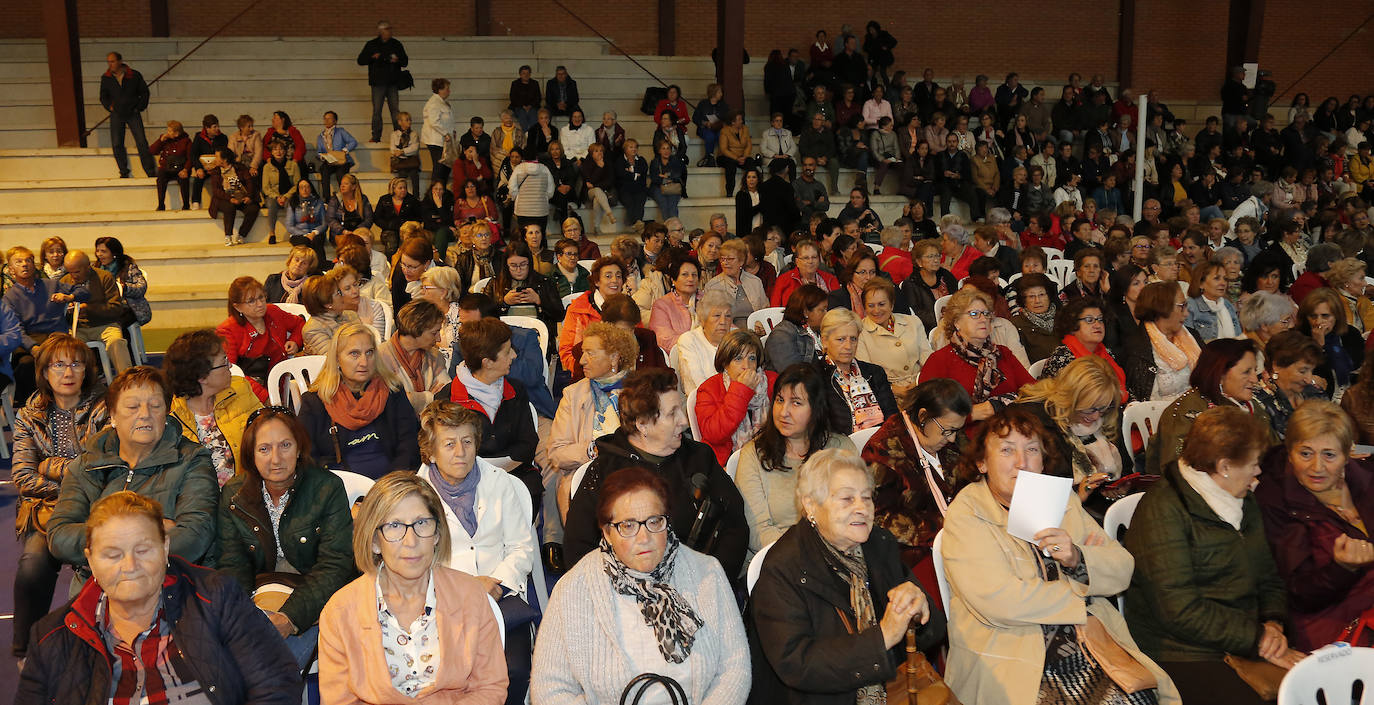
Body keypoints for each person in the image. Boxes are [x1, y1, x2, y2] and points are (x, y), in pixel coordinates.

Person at [942, 407, 1179, 705]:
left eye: (1032, 449)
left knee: (1142, 699)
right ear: (982, 463)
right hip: (1013, 657)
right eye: (1006, 450)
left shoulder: (1061, 501)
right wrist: (1083, 589)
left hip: (1089, 643)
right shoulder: (967, 512)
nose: (1022, 462)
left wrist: (1076, 558)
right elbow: (1001, 602)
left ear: (1043, 461)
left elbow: (1122, 568)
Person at [18, 491, 302, 705]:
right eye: (113, 554)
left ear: (165, 547)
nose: (129, 566)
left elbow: (276, 683)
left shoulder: (217, 597)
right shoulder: (51, 638)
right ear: (90, 560)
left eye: (143, 550)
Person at [1125, 406, 1303, 705]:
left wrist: (1273, 623)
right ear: (1224, 466)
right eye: (1253, 464)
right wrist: (1257, 638)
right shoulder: (1163, 511)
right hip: (1181, 651)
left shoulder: (1240, 497)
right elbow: (1179, 611)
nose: (1258, 473)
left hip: (1242, 635)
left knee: (1314, 685)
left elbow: (1268, 575)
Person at [532, 466, 751, 705]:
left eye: (654, 521)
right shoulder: (574, 588)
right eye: (628, 526)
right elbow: (549, 689)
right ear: (606, 532)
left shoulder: (707, 574)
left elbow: (735, 668)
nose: (644, 537)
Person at [749, 448, 947, 704]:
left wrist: (920, 612)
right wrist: (882, 637)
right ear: (811, 504)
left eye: (867, 497)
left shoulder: (878, 544)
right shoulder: (783, 570)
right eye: (847, 499)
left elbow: (935, 630)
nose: (862, 508)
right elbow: (797, 664)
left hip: (891, 687)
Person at [318, 472, 508, 704]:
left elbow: (490, 688)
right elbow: (339, 700)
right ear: (375, 541)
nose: (411, 541)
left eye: (422, 523)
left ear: (437, 534)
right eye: (395, 526)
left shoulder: (470, 595)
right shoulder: (340, 611)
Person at [562, 367, 749, 576]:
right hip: (626, 593)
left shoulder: (699, 458)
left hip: (701, 582)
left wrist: (713, 579)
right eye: (672, 414)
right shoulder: (604, 473)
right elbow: (578, 549)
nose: (684, 421)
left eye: (681, 409)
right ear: (642, 424)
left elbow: (735, 525)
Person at [415, 402, 536, 705]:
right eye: (449, 443)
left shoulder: (500, 483)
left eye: (468, 441)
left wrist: (494, 582)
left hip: (501, 596)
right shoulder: (415, 495)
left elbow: (521, 548)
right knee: (445, 677)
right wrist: (468, 589)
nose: (461, 451)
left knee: (514, 670)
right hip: (440, 602)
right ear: (430, 452)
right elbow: (414, 561)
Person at [217, 406, 355, 668]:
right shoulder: (235, 495)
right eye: (264, 449)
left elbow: (334, 566)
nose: (276, 459)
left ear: (299, 448)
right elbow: (232, 565)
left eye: (285, 445)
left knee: (272, 666)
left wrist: (290, 618)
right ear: (251, 454)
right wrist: (244, 617)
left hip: (315, 599)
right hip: (261, 597)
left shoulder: (326, 488)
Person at [47, 366, 219, 568]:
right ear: (113, 415)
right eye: (132, 407)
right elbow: (59, 537)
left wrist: (100, 539)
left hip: (172, 583)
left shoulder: (193, 460)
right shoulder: (84, 467)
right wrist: (143, 532)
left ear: (166, 412)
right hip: (97, 585)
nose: (145, 414)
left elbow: (194, 537)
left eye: (155, 405)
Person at [10, 335, 107, 661]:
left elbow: (104, 468)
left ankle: (102, 644)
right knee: (32, 565)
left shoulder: (105, 408)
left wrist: (52, 467)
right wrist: (75, 485)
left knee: (104, 566)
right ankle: (26, 650)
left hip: (98, 509)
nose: (68, 372)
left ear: (86, 369)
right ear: (45, 372)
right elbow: (23, 477)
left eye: (76, 363)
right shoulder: (29, 414)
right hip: (47, 512)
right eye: (59, 364)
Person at [1255, 399, 1374, 652]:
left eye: (1329, 455)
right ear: (1290, 452)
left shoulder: (1365, 481)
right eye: (1305, 453)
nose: (1316, 467)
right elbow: (1298, 594)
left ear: (1347, 455)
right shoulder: (1276, 500)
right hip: (1331, 623)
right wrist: (1342, 567)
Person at [735, 363, 856, 553]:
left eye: (796, 402)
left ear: (816, 409)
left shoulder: (840, 450)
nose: (784, 412)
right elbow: (758, 532)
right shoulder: (753, 455)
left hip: (839, 551)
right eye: (780, 400)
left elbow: (854, 513)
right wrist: (811, 554)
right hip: (782, 559)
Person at [436, 317, 541, 503]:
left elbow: (528, 443)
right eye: (508, 352)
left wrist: (498, 470)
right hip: (463, 480)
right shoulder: (448, 399)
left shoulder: (515, 391)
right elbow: (445, 452)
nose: (514, 356)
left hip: (513, 475)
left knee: (528, 492)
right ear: (487, 362)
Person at [298, 323, 421, 478]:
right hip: (339, 490)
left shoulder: (392, 391)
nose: (364, 362)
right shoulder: (315, 402)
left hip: (390, 485)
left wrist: (393, 484)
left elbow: (409, 444)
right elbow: (308, 457)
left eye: (369, 352)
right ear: (337, 359)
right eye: (354, 354)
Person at [1146, 338, 1274, 475]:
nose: (1255, 379)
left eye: (1254, 370)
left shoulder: (1252, 407)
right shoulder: (1185, 414)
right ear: (1219, 374)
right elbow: (1178, 473)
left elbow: (1273, 455)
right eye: (1246, 372)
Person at [920, 286, 1036, 425]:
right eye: (974, 314)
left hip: (1013, 428)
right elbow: (927, 411)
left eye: (986, 314)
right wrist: (971, 414)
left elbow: (1032, 390)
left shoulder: (1002, 353)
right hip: (969, 436)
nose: (983, 319)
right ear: (957, 322)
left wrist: (1003, 403)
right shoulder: (940, 360)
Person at [164, 328, 263, 487]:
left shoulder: (240, 389)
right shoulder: (171, 417)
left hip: (246, 494)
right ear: (202, 376)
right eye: (224, 361)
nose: (230, 366)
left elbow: (267, 430)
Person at [694, 330, 776, 465]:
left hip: (769, 457)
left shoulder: (772, 381)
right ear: (725, 363)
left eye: (752, 358)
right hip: (727, 464)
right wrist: (741, 391)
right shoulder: (709, 389)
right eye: (738, 359)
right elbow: (714, 435)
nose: (747, 366)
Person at [815, 308, 900, 434]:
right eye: (841, 339)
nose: (848, 346)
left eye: (853, 339)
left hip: (881, 445)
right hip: (840, 449)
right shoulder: (815, 377)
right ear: (824, 341)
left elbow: (893, 420)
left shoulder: (875, 373)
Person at [1119, 281, 1203, 401]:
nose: (1186, 313)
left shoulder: (1192, 336)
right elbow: (1139, 400)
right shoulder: (1137, 348)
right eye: (1182, 306)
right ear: (1162, 308)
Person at [856, 277, 931, 408]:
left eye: (881, 304)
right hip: (886, 395)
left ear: (892, 303)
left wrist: (920, 381)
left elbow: (928, 358)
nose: (876, 310)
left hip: (922, 386)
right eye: (871, 305)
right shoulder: (859, 332)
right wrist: (893, 389)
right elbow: (866, 374)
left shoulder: (912, 322)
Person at [57, 250, 134, 374]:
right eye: (70, 272)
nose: (73, 276)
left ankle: (127, 381)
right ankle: (79, 384)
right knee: (69, 348)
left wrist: (89, 309)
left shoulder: (105, 277)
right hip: (78, 328)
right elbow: (59, 315)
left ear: (88, 266)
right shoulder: (64, 281)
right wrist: (69, 311)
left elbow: (116, 309)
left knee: (117, 343)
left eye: (77, 272)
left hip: (106, 325)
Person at [1039, 297, 1128, 398]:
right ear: (1072, 326)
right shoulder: (1062, 358)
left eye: (1100, 319)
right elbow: (1066, 401)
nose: (1097, 325)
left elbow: (1124, 390)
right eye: (1089, 320)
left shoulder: (1105, 352)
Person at [377, 299, 451, 414]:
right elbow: (388, 404)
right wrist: (429, 397)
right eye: (434, 333)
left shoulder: (435, 356)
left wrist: (411, 398)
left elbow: (446, 397)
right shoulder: (380, 358)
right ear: (416, 329)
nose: (438, 339)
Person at [558, 256, 625, 371]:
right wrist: (588, 371)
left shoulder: (627, 307)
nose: (615, 280)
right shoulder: (578, 309)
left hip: (622, 372)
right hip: (587, 372)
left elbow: (635, 345)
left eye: (618, 276)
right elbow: (567, 352)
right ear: (597, 281)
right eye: (608, 276)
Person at [98, 52, 155, 179]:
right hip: (117, 114)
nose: (110, 64)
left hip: (132, 113)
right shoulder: (106, 78)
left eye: (112, 61)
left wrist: (139, 107)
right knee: (117, 143)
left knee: (141, 142)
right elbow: (103, 96)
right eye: (108, 62)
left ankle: (150, 171)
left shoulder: (134, 75)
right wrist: (110, 107)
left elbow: (145, 92)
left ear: (119, 61)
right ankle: (123, 171)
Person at [1299, 287, 1363, 394]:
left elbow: (1356, 364)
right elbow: (1311, 376)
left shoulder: (1351, 334)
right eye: (1313, 316)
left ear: (1337, 316)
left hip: (1351, 393)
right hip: (1320, 397)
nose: (1318, 322)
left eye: (1325, 316)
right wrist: (1318, 347)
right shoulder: (1297, 338)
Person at [670, 289, 734, 394]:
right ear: (703, 320)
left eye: (728, 316)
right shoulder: (689, 341)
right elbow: (695, 386)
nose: (723, 322)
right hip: (704, 402)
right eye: (717, 316)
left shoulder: (736, 338)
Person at [357, 20, 408, 143]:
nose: (390, 31)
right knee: (377, 111)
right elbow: (360, 60)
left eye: (390, 29)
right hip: (378, 83)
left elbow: (405, 61)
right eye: (387, 29)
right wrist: (372, 57)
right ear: (380, 31)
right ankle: (376, 136)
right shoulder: (371, 44)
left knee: (395, 110)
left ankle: (399, 134)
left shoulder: (396, 44)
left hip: (392, 82)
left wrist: (397, 61)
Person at [900, 238, 959, 334]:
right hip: (928, 330)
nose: (936, 260)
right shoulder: (911, 283)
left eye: (937, 255)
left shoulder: (946, 276)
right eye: (930, 256)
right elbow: (917, 314)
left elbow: (959, 298)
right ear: (919, 262)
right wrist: (944, 322)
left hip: (955, 323)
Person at [765, 284, 827, 373]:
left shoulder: (820, 331)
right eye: (822, 310)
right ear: (805, 312)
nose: (827, 314)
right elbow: (793, 375)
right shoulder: (781, 336)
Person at [207, 146, 260, 246]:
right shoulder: (216, 171)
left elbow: (249, 182)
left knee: (253, 208)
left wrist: (248, 196)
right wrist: (230, 199)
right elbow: (216, 190)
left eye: (217, 156)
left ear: (225, 159)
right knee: (229, 207)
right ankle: (228, 236)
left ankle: (242, 235)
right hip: (224, 198)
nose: (215, 159)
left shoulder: (240, 168)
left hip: (240, 195)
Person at [92, 236, 150, 327]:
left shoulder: (128, 266)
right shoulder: (95, 267)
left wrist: (123, 287)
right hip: (104, 307)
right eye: (97, 251)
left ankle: (122, 341)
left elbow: (141, 287)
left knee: (115, 324)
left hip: (128, 307)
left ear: (114, 253)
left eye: (103, 251)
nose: (99, 254)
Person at [300, 274, 361, 356]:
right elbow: (332, 360)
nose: (343, 294)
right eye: (338, 292)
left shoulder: (350, 314)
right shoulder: (312, 329)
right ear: (328, 304)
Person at [1010, 273, 1062, 364]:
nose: (1037, 301)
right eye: (1031, 296)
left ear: (1049, 296)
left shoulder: (1063, 317)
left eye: (1041, 295)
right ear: (1024, 301)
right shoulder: (1016, 324)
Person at [771, 240, 839, 307]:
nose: (810, 261)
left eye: (814, 257)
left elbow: (839, 306)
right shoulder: (783, 280)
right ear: (797, 262)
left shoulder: (830, 279)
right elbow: (774, 309)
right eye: (806, 258)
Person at [149, 119, 192, 210]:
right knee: (160, 179)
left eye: (170, 131)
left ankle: (186, 205)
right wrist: (160, 141)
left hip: (180, 168)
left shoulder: (186, 141)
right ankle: (161, 204)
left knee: (184, 179)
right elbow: (152, 151)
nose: (167, 133)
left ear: (176, 133)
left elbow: (190, 158)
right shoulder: (164, 139)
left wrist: (185, 169)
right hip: (166, 168)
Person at [421, 78, 454, 189]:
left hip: (443, 141)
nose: (449, 91)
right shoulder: (434, 103)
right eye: (447, 88)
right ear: (439, 90)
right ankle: (434, 193)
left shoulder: (441, 102)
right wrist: (445, 133)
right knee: (439, 168)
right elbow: (434, 121)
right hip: (435, 140)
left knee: (444, 168)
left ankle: (441, 191)